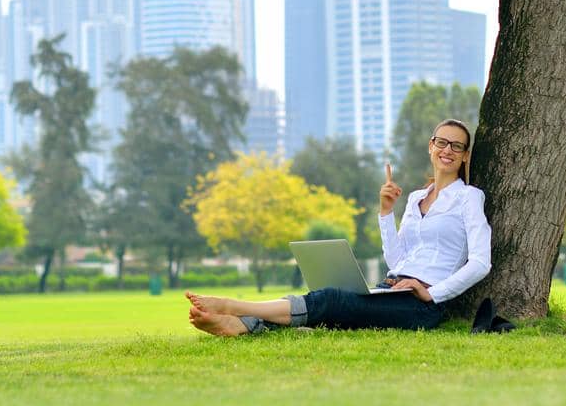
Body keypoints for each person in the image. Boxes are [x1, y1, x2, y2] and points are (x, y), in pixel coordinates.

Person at [186, 119, 491, 337]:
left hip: (420, 307)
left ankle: (233, 307)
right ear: (431, 146)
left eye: (457, 145)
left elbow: (480, 263)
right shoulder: (415, 199)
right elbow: (397, 262)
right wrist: (385, 213)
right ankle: (242, 326)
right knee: (330, 305)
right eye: (441, 142)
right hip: (390, 288)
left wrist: (432, 293)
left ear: (465, 154)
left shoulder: (469, 198)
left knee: (331, 301)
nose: (447, 149)